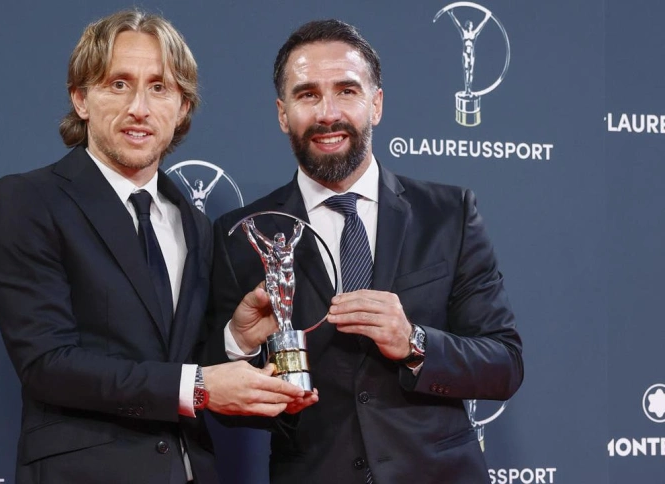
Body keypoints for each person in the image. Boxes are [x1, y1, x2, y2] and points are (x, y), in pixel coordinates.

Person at [0, 10, 307, 484]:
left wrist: (235, 340)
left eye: (160, 87)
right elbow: (46, 364)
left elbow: (181, 359)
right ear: (81, 99)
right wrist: (198, 386)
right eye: (118, 84)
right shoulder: (29, 200)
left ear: (181, 109)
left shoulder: (195, 223)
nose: (140, 107)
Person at [203, 19, 523, 484]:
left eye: (347, 91)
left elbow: (503, 365)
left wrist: (414, 341)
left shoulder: (449, 214)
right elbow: (217, 398)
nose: (327, 113)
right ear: (281, 112)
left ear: (376, 104)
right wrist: (240, 342)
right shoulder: (241, 234)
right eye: (307, 94)